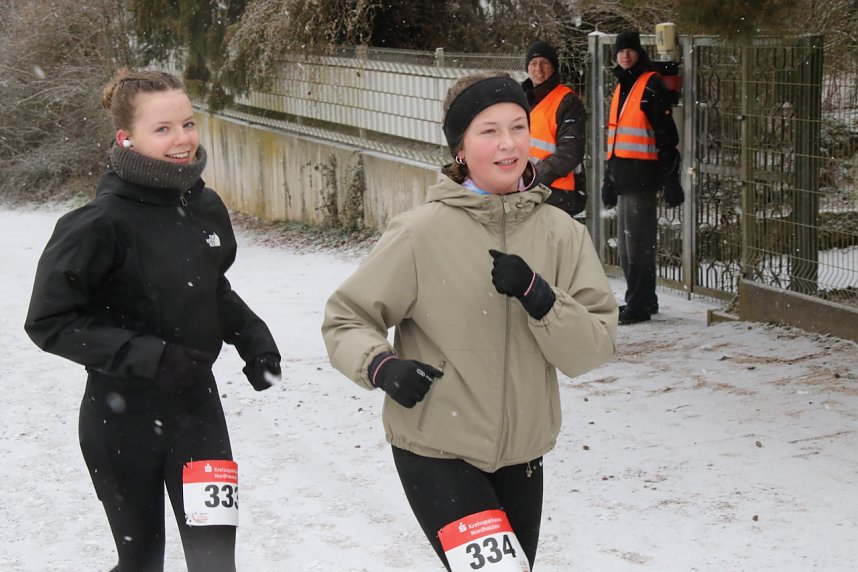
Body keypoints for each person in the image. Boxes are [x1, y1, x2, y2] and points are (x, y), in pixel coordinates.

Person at [321, 73, 617, 571]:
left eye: (518, 127)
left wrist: (540, 297)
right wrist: (381, 366)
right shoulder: (420, 233)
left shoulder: (562, 234)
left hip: (522, 455)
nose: (508, 144)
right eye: (489, 131)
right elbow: (346, 318)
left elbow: (593, 349)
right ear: (460, 147)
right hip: (437, 446)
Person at [24, 69, 281, 572]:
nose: (182, 139)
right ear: (127, 138)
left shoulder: (204, 206)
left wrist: (254, 339)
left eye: (187, 123)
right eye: (162, 129)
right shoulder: (98, 225)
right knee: (141, 561)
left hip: (198, 415)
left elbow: (210, 287)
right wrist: (151, 357)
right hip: (121, 420)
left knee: (215, 563)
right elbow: (50, 321)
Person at [601, 30, 685, 325]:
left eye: (630, 50)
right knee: (628, 247)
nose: (625, 55)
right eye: (620, 51)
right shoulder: (624, 85)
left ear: (639, 53)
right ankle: (643, 299)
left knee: (637, 246)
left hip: (642, 177)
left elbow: (665, 135)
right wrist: (608, 179)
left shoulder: (649, 85)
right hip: (624, 177)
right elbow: (615, 137)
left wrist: (671, 178)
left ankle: (639, 303)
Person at [521, 40, 588, 218]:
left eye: (544, 63)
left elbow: (571, 151)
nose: (538, 69)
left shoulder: (567, 101)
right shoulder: (523, 100)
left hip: (557, 195)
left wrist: (535, 177)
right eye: (533, 64)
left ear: (554, 67)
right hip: (528, 192)